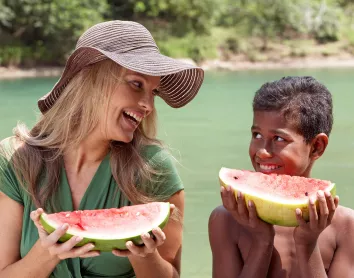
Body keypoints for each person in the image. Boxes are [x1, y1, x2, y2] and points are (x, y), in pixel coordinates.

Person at [0, 20, 204, 278]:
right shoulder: (14, 159)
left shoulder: (153, 167)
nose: (148, 105)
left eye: (153, 91)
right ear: (92, 79)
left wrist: (145, 256)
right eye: (136, 84)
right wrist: (46, 254)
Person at [208, 76, 354, 278]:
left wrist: (307, 244)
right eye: (257, 135)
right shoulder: (225, 220)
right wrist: (262, 241)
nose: (262, 152)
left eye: (278, 139)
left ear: (317, 147)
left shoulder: (346, 226)